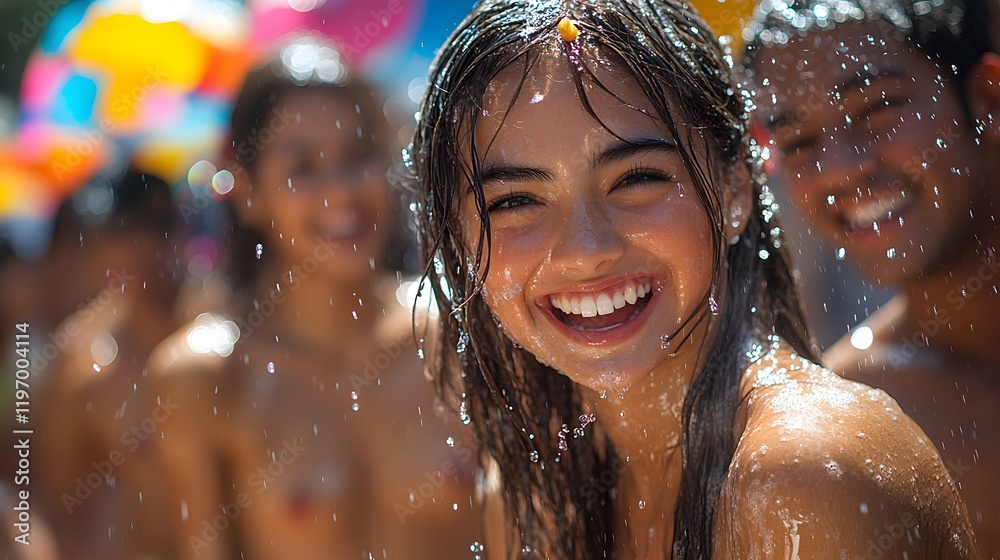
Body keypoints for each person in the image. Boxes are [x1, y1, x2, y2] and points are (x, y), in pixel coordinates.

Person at [409, 0, 977, 557]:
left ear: (734, 187)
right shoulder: (534, 487)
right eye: (515, 201)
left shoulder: (803, 474)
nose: (585, 252)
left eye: (635, 178)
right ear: (455, 237)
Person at [149, 36, 480, 560]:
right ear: (249, 194)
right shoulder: (203, 379)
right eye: (302, 168)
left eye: (356, 157)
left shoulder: (459, 335)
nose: (342, 190)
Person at [744, 0, 1000, 553]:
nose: (838, 168)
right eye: (796, 142)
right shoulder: (850, 428)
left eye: (876, 107)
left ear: (989, 99)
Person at [33, 166, 185, 560]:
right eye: (120, 234)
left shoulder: (230, 332)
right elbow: (59, 505)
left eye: (154, 229)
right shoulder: (85, 367)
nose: (140, 248)